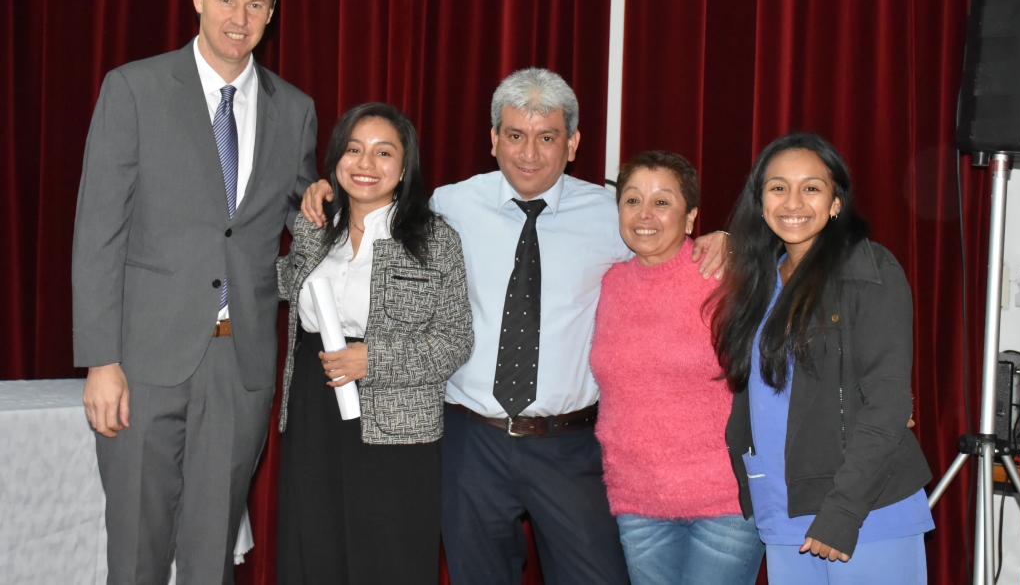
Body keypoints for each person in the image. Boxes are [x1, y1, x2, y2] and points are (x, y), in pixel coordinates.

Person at [302, 67, 728, 583]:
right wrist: (326, 190)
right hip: (469, 440)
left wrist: (724, 239)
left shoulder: (610, 214)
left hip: (568, 444)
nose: (530, 153)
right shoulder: (448, 206)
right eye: (515, 136)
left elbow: (666, 245)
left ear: (572, 143)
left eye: (547, 137)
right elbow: (372, 211)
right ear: (493, 140)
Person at [72, 0, 319, 583]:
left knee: (212, 554)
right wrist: (101, 361)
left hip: (238, 366)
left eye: (256, 4)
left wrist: (331, 203)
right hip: (144, 360)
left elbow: (300, 214)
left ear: (272, 13)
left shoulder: (294, 110)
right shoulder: (134, 88)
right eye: (227, 0)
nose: (240, 18)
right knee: (136, 547)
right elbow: (99, 231)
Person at [710, 133, 934, 583]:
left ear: (835, 202)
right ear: (761, 200)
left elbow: (888, 405)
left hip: (863, 512)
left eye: (811, 187)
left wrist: (845, 512)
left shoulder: (869, 270)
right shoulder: (758, 278)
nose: (794, 201)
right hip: (783, 509)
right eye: (778, 187)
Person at [275, 102, 473, 584]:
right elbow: (283, 288)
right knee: (314, 546)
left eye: (384, 152)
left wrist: (375, 359)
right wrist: (312, 202)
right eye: (353, 150)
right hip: (312, 405)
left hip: (395, 422)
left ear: (404, 167)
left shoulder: (434, 239)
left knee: (389, 555)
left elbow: (455, 340)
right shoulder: (314, 227)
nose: (366, 164)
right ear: (336, 160)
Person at [589, 150, 764, 585]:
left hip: (725, 502)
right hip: (638, 502)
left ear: (690, 218)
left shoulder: (725, 276)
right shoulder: (606, 283)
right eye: (632, 200)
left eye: (662, 201)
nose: (644, 214)